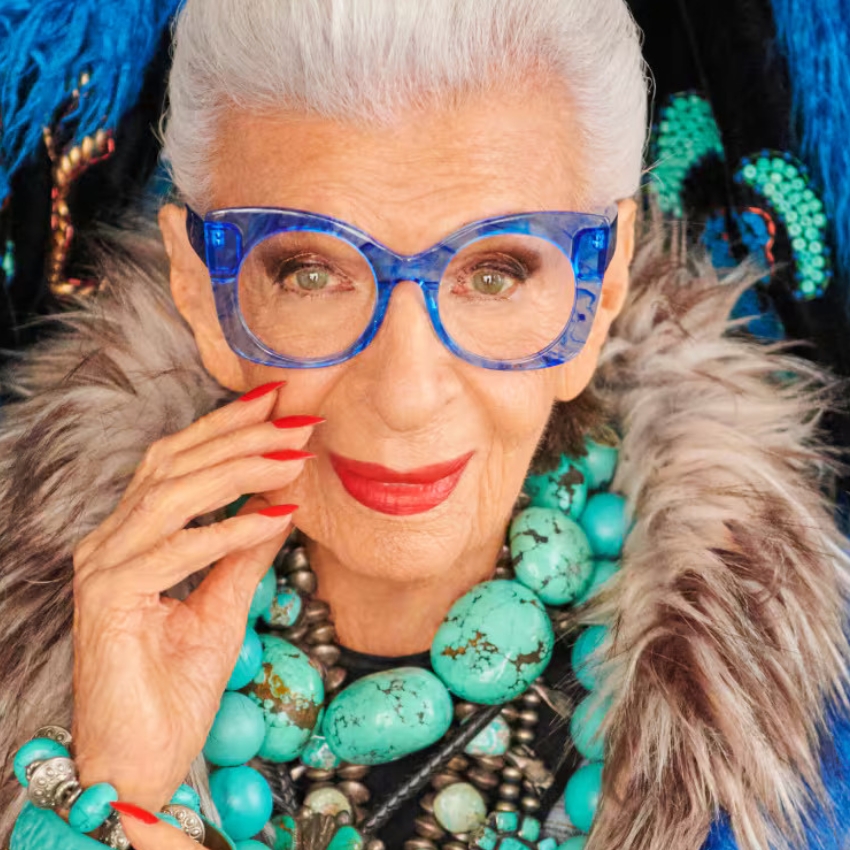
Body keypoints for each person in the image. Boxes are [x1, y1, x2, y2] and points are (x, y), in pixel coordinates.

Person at [1, 1, 849, 849]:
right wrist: (118, 798)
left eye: (495, 273)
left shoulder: (816, 750)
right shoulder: (51, 637)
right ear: (202, 289)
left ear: (603, 290)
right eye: (310, 272)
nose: (405, 394)